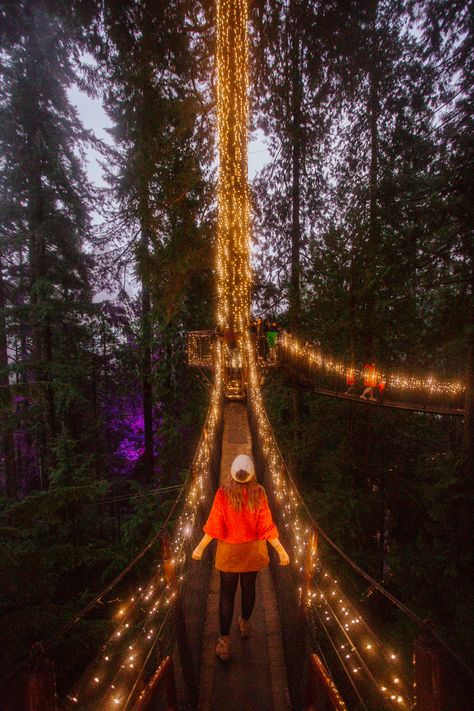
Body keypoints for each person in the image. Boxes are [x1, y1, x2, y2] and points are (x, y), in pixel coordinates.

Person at [192, 454, 290, 661]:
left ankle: (223, 643)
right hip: (252, 553)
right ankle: (244, 624)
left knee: (226, 596)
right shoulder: (259, 494)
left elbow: (215, 525)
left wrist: (200, 547)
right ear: (252, 474)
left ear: (232, 474)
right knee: (249, 588)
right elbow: (266, 526)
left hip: (229, 554)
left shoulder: (223, 494)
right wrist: (281, 550)